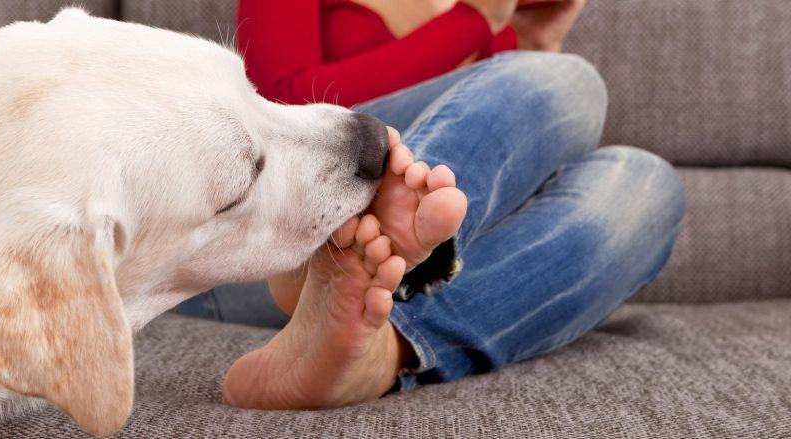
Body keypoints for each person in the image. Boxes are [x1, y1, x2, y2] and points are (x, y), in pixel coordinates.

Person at [175, 0, 686, 410]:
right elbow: (274, 106)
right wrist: (473, 23)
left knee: (646, 184)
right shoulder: (476, 15)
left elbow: (510, 168)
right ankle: (346, 248)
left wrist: (534, 41)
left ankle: (385, 348)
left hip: (361, 302)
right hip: (266, 246)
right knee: (569, 81)